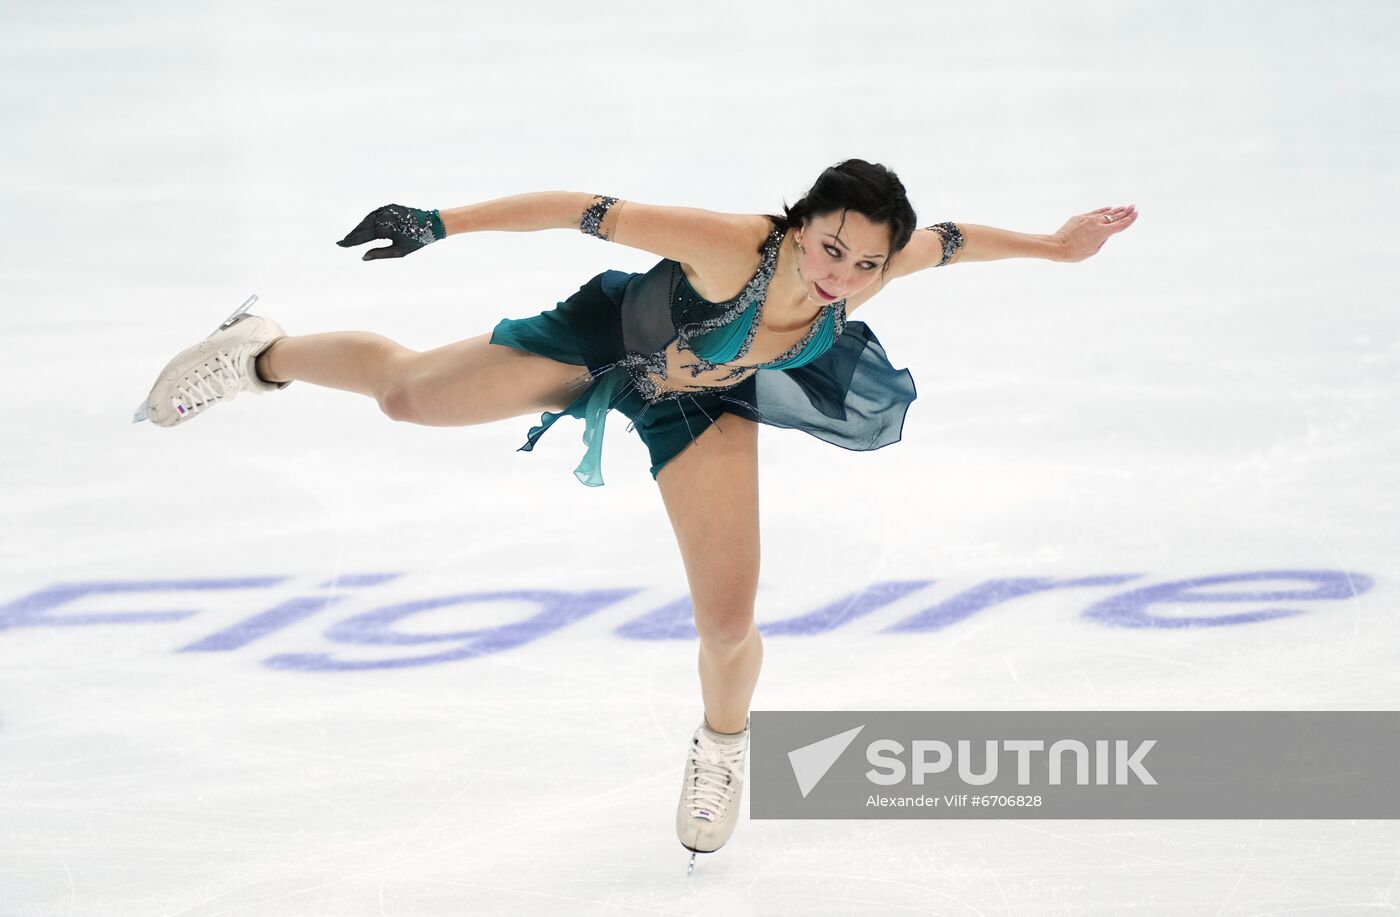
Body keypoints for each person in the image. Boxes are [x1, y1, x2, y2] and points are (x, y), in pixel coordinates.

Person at [137, 159, 1137, 866]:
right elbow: (583, 208)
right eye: (830, 248)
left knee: (727, 620)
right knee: (405, 394)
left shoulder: (878, 264)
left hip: (700, 401)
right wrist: (440, 222)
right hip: (598, 342)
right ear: (797, 226)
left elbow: (954, 242)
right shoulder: (726, 248)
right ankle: (260, 349)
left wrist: (1055, 246)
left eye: (865, 265)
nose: (843, 274)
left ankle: (722, 746)